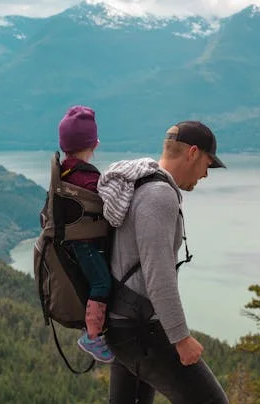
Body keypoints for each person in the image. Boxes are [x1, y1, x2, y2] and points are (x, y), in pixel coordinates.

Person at [96, 120, 229, 404]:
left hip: (124, 324)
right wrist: (181, 338)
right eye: (208, 163)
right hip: (143, 330)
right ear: (192, 152)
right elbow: (159, 276)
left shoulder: (139, 185)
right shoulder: (159, 195)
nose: (206, 174)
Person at [57, 104, 115, 363]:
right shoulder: (88, 180)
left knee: (91, 282)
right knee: (102, 283)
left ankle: (92, 328)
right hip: (87, 244)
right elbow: (109, 206)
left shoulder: (64, 172)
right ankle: (91, 336)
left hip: (72, 243)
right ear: (94, 144)